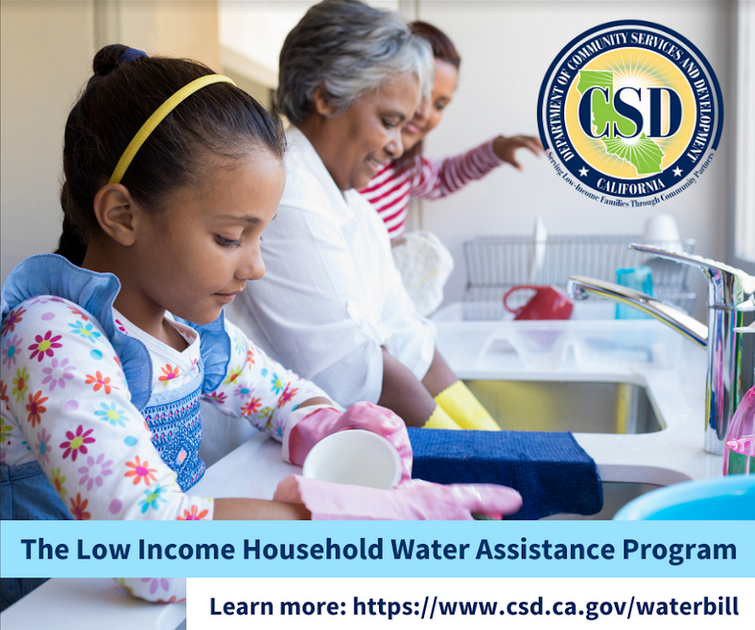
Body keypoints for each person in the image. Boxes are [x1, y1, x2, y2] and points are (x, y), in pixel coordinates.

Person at [0, 44, 522, 609]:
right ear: (123, 215)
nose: (255, 266)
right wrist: (345, 520)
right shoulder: (52, 338)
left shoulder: (186, 327)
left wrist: (328, 424)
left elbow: (282, 394)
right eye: (230, 238)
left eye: (260, 237)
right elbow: (149, 551)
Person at [231, 0, 500, 432]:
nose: (398, 145)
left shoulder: (354, 206)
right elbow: (355, 371)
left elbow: (409, 339)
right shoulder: (288, 195)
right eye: (389, 121)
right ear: (327, 96)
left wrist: (494, 437)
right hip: (254, 458)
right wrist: (479, 455)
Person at [358, 21, 543, 316]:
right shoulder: (351, 169)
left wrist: (493, 151)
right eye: (419, 92)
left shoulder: (405, 164)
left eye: (440, 104)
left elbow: (441, 178)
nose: (424, 113)